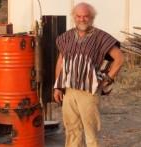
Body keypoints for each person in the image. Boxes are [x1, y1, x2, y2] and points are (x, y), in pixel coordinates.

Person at [53, 2, 125, 147]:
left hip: (88, 92)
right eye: (78, 16)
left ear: (91, 17)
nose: (82, 19)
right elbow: (61, 61)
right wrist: (57, 87)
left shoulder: (101, 37)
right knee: (72, 130)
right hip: (69, 91)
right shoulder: (66, 37)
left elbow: (120, 59)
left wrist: (107, 79)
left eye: (86, 16)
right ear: (74, 17)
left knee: (90, 132)